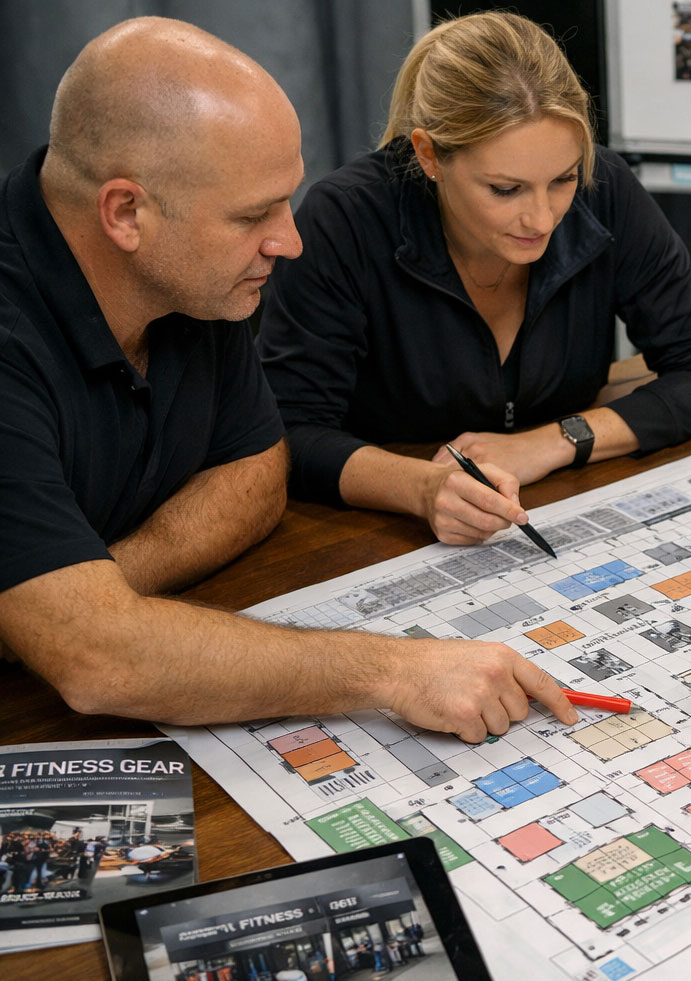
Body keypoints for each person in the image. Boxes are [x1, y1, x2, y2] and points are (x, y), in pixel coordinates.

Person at [0, 18, 577, 743]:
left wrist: (84, 595)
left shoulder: (196, 275)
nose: (290, 240)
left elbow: (257, 472)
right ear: (125, 212)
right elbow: (98, 662)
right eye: (253, 215)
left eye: (284, 201)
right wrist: (394, 672)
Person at [258, 11, 691, 545]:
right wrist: (423, 488)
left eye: (562, 179)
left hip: (555, 502)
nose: (542, 219)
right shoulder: (346, 220)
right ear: (429, 155)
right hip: (374, 532)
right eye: (505, 189)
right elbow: (288, 433)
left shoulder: (604, 190)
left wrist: (556, 441)